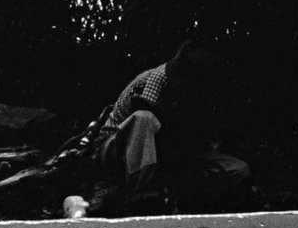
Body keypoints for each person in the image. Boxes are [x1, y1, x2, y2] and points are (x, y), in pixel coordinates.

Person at [93, 39, 250, 215]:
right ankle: (141, 196)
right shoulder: (157, 78)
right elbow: (145, 127)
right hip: (118, 150)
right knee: (145, 118)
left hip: (170, 158)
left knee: (237, 168)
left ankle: (185, 198)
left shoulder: (202, 94)